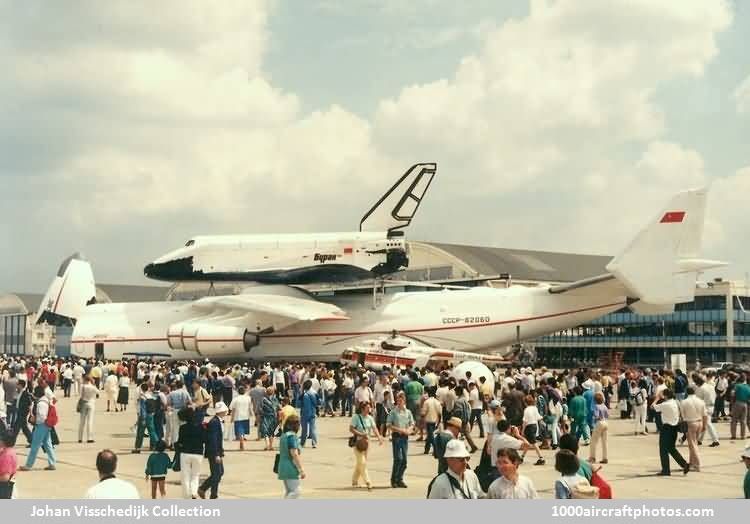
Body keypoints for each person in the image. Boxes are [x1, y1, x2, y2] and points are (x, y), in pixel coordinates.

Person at [18, 386, 56, 471]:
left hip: (41, 425)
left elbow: (42, 417)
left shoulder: (41, 403)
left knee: (35, 446)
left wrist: (35, 420)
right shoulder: (46, 400)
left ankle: (28, 465)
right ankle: (52, 462)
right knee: (47, 444)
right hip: (47, 425)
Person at [654, 389, 689, 476]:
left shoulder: (665, 404)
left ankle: (666, 470)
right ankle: (684, 464)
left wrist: (656, 399)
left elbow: (653, 407)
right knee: (671, 448)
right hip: (674, 428)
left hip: (667, 428)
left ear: (665, 396)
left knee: (663, 450)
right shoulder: (675, 402)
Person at [349, 401, 383, 490]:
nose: (369, 409)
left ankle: (354, 480)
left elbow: (374, 428)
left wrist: (379, 437)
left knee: (360, 463)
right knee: (363, 463)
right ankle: (368, 482)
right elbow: (351, 429)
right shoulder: (356, 417)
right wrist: (361, 434)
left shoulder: (370, 418)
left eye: (370, 407)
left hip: (367, 443)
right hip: (358, 443)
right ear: (362, 409)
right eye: (368, 408)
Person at [198, 402, 226, 499]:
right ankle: (203, 489)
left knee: (218, 473)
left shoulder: (217, 420)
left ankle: (213, 493)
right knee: (217, 473)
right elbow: (213, 439)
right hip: (213, 452)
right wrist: (216, 454)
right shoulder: (214, 422)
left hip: (216, 451)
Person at [175, 407, 205, 499]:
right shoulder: (201, 427)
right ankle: (194, 492)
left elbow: (180, 441)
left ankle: (186, 495)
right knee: (195, 475)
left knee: (185, 476)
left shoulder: (183, 427)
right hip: (198, 453)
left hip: (185, 453)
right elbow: (204, 439)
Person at [387, 391, 415, 488]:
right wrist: (399, 429)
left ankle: (400, 479)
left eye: (401, 401)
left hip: (405, 437)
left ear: (404, 401)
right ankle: (394, 479)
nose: (399, 403)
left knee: (404, 460)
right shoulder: (393, 412)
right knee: (398, 458)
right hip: (397, 437)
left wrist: (409, 430)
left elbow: (412, 423)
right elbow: (389, 424)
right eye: (398, 401)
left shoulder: (408, 412)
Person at [278, 414, 305, 499]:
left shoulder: (284, 435)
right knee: (296, 492)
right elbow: (294, 454)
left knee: (289, 491)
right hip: (290, 467)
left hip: (282, 466)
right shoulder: (292, 436)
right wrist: (301, 469)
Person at [679, 386, 707, 472]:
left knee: (693, 445)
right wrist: (704, 426)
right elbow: (705, 415)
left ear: (687, 392)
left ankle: (697, 464)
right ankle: (692, 463)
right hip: (700, 422)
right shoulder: (701, 401)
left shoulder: (684, 402)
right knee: (693, 444)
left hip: (690, 423)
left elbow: (682, 416)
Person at [132, 382, 158, 453]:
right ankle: (157, 445)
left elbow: (143, 409)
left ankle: (138, 448)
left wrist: (143, 418)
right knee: (152, 431)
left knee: (140, 433)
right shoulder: (151, 395)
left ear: (142, 389)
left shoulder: (143, 397)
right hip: (150, 415)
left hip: (144, 416)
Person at [229, 385, 253, 450]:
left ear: (238, 392)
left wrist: (232, 418)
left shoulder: (235, 399)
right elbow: (250, 407)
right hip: (246, 416)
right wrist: (251, 414)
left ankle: (241, 441)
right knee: (243, 430)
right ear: (244, 391)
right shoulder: (248, 398)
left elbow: (232, 409)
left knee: (240, 431)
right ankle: (242, 439)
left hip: (238, 417)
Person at [588, 392, 609, 464]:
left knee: (593, 441)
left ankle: (592, 457)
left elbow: (596, 416)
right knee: (604, 442)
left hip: (599, 423)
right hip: (605, 422)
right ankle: (605, 458)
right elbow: (607, 415)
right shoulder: (604, 406)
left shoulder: (596, 406)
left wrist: (594, 418)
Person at [422, 386, 442, 455]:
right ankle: (426, 449)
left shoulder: (426, 402)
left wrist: (422, 420)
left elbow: (423, 413)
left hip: (428, 421)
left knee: (431, 436)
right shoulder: (437, 402)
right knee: (430, 435)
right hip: (435, 421)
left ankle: (436, 450)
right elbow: (440, 413)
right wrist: (439, 422)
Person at [300, 380, 319, 448]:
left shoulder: (304, 394)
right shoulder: (314, 393)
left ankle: (302, 443)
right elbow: (317, 403)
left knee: (304, 430)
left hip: (304, 413)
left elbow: (299, 404)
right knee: (313, 429)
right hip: (312, 413)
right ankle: (314, 443)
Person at [78, 375, 98, 443]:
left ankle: (80, 438)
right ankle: (89, 438)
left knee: (82, 421)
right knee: (90, 421)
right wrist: (94, 384)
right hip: (91, 403)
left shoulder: (82, 386)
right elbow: (97, 392)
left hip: (83, 403)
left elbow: (80, 394)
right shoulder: (92, 387)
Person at [260, 387, 279, 451]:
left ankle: (267, 445)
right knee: (272, 432)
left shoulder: (263, 399)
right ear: (273, 392)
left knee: (265, 432)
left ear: (266, 392)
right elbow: (278, 408)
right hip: (273, 418)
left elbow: (260, 408)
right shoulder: (275, 399)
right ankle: (271, 446)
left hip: (265, 417)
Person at [0, 430, 17, 499]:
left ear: (3, 441)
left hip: (4, 489)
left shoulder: (7, 456)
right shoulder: (9, 451)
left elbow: (5, 478)